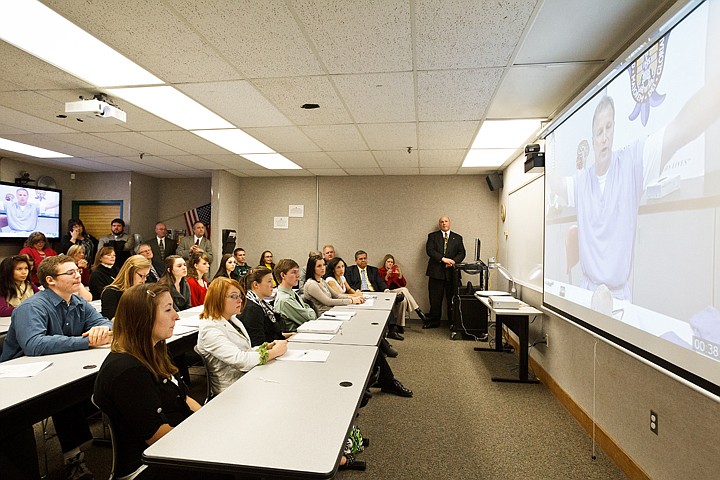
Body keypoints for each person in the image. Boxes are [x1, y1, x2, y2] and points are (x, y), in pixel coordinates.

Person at [1, 255, 112, 479]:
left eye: (77, 271)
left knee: (70, 395)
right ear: (50, 280)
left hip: (57, 369)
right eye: (70, 272)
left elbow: (104, 322)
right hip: (18, 380)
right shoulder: (31, 307)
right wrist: (87, 341)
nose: (77, 275)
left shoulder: (78, 301)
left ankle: (73, 457)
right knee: (58, 401)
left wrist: (102, 329)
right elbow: (34, 344)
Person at [93, 283, 210, 480]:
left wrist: (208, 419)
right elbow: (159, 438)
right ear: (143, 318)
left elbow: (185, 397)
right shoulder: (128, 371)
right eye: (168, 309)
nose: (176, 315)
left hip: (175, 444)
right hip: (149, 463)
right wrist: (207, 438)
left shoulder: (155, 350)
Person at [196, 276, 287, 395]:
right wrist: (274, 352)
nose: (240, 300)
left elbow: (244, 350)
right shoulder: (209, 329)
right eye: (233, 296)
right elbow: (240, 360)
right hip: (231, 389)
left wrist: (265, 348)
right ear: (217, 299)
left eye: (240, 296)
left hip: (246, 377)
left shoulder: (232, 320)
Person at [345, 250, 403, 340]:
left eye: (365, 258)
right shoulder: (349, 270)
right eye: (360, 259)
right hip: (359, 293)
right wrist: (355, 292)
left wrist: (386, 290)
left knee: (386, 304)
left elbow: (380, 282)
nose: (363, 260)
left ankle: (392, 330)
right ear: (355, 260)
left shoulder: (373, 270)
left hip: (374, 293)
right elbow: (349, 284)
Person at [425, 216, 465, 328]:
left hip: (452, 273)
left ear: (450, 223)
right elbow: (430, 250)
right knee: (435, 299)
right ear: (439, 224)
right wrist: (443, 259)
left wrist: (453, 261)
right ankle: (434, 322)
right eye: (442, 222)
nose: (444, 223)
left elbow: (462, 253)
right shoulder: (432, 236)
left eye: (446, 221)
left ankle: (453, 323)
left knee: (452, 299)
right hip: (436, 273)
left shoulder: (458, 238)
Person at [237, 267, 293, 346]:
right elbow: (259, 344)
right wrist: (287, 341)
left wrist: (293, 336)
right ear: (256, 284)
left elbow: (272, 334)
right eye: (269, 281)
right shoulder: (252, 309)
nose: (273, 285)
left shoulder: (262, 304)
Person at [379, 254, 428, 331]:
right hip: (388, 292)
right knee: (404, 290)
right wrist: (387, 276)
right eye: (388, 262)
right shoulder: (380, 271)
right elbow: (381, 285)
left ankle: (400, 325)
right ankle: (418, 311)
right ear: (384, 263)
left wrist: (400, 275)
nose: (390, 263)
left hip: (398, 292)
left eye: (392, 262)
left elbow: (403, 284)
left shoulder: (395, 271)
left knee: (404, 301)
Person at [100, 254, 151, 319]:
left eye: (146, 276)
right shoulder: (111, 292)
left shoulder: (143, 292)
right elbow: (109, 320)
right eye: (141, 276)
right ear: (130, 272)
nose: (144, 280)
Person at [273, 258, 317, 332]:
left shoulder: (292, 293)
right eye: (294, 272)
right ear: (283, 275)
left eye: (297, 272)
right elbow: (310, 318)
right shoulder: (285, 300)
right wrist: (310, 311)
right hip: (296, 336)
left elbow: (306, 308)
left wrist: (308, 311)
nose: (298, 276)